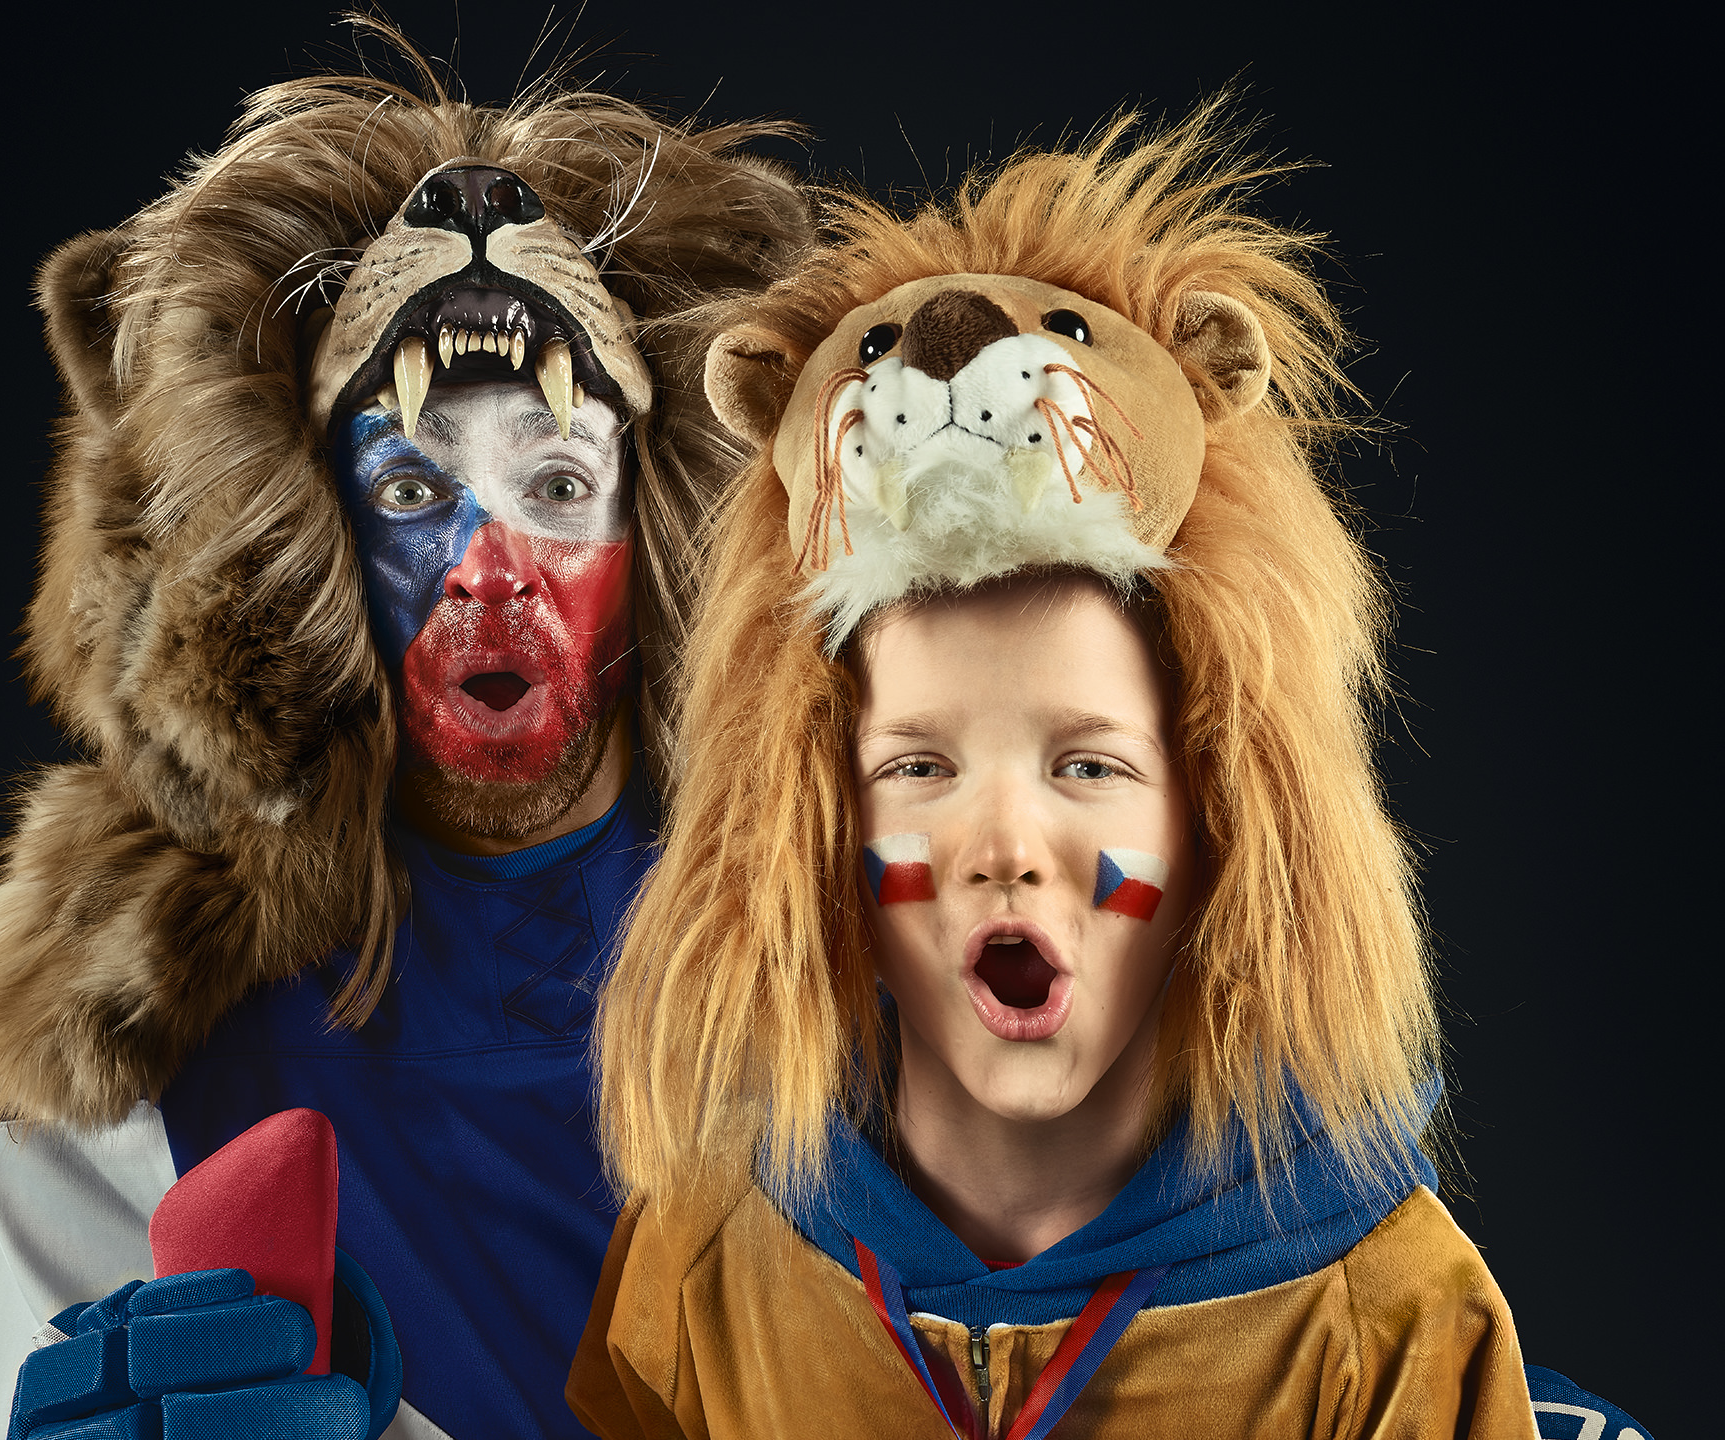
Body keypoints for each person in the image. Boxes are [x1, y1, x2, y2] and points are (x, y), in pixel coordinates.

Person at [567, 110, 1622, 1437]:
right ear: (814, 827)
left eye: (1087, 764)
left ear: (1218, 826)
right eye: (917, 765)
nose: (1002, 839)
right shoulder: (707, 1267)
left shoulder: (1384, 1317)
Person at [0, 29, 808, 1440]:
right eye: (413, 494)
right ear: (309, 550)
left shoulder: (851, 953)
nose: (487, 568)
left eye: (555, 481)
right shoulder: (123, 1023)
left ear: (658, 535)